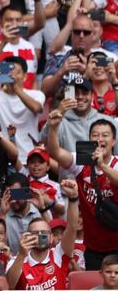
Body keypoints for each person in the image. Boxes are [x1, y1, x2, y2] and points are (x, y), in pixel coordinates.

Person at [47, 113, 118, 270]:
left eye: (105, 135)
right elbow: (55, 152)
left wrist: (103, 166)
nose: (100, 139)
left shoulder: (116, 163)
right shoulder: (83, 161)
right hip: (93, 247)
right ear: (89, 139)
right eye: (95, 135)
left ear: (113, 141)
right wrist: (53, 127)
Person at [5, 178, 79, 289]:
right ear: (27, 237)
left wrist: (73, 198)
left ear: (51, 237)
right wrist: (21, 255)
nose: (40, 236)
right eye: (35, 233)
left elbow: (72, 227)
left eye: (44, 233)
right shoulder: (16, 261)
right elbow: (9, 287)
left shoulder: (58, 255)